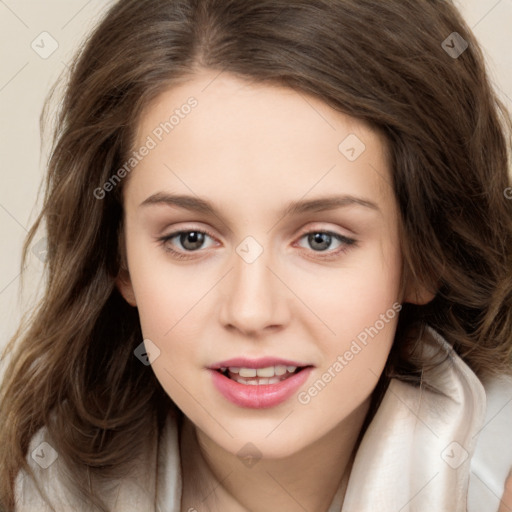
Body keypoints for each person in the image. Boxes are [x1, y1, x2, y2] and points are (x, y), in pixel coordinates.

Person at [1, 0, 511, 511]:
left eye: (321, 240)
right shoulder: (33, 486)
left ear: (424, 258)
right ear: (120, 259)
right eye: (190, 239)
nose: (250, 311)